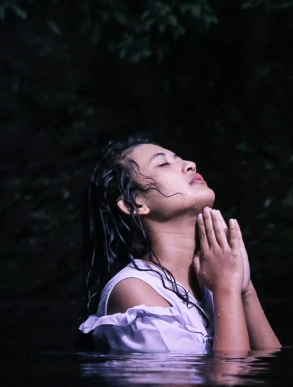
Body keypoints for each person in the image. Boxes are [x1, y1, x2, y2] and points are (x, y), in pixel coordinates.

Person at [79, 136, 280, 356]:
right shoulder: (134, 292)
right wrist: (227, 289)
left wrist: (244, 289)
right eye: (164, 163)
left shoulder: (215, 278)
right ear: (134, 203)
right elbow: (225, 386)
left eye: (180, 159)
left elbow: (269, 364)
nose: (190, 164)